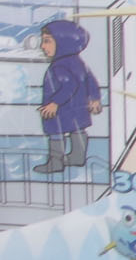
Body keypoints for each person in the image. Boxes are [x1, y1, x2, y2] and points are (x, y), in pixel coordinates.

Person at [36, 19, 104, 176]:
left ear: (62, 43)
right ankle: (78, 157)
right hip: (78, 110)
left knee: (56, 133)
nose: (42, 46)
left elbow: (69, 86)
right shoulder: (78, 62)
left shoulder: (59, 66)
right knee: (78, 130)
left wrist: (54, 103)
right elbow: (91, 81)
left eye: (47, 41)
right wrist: (95, 98)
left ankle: (56, 163)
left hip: (61, 111)